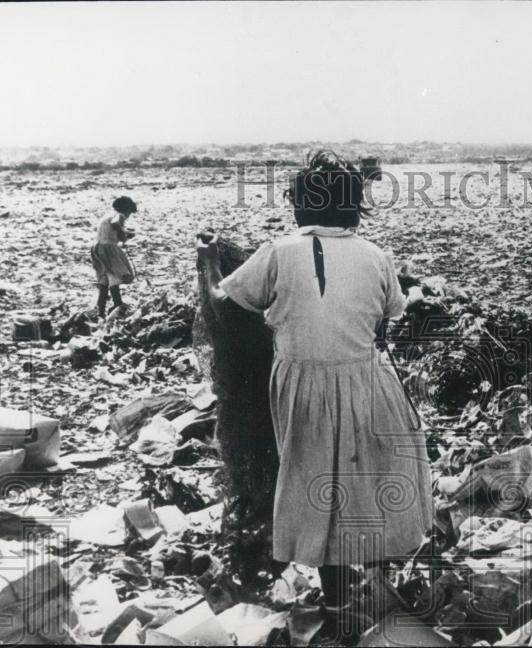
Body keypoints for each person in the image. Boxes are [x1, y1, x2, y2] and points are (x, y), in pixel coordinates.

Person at [196, 151, 432, 637]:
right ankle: (373, 592)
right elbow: (395, 309)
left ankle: (342, 603)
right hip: (369, 384)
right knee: (371, 480)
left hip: (303, 392)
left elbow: (226, 304)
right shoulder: (375, 256)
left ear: (301, 207)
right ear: (354, 209)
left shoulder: (278, 253)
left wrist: (209, 262)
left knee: (319, 489)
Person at [91, 196, 137, 319]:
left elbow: (111, 230)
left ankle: (100, 311)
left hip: (97, 247)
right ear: (126, 210)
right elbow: (115, 223)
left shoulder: (107, 216)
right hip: (108, 248)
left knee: (104, 280)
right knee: (115, 276)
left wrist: (125, 233)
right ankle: (118, 304)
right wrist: (123, 234)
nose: (128, 216)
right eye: (129, 213)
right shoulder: (119, 215)